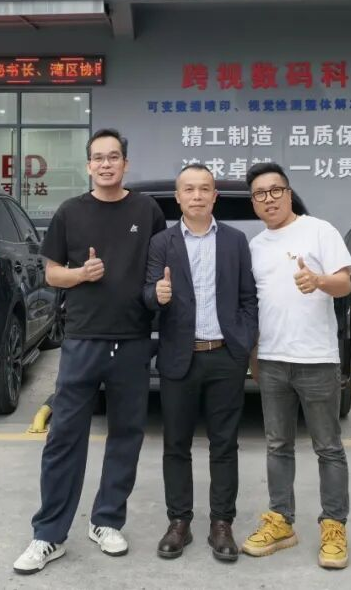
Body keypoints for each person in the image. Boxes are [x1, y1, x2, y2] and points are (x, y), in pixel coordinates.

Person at [13, 129, 166, 576]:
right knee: (64, 436)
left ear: (125, 163)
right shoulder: (70, 212)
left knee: (126, 434)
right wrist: (81, 274)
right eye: (98, 158)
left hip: (133, 339)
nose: (106, 164)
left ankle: (107, 521)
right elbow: (52, 275)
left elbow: (158, 267)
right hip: (82, 339)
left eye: (113, 157)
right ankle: (49, 534)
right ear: (88, 166)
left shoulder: (147, 211)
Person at [239, 162, 351, 570]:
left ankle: (334, 526)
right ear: (254, 202)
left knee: (328, 447)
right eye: (260, 194)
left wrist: (319, 281)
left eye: (276, 190)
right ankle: (281, 521)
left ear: (289, 193)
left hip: (316, 360)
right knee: (277, 445)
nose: (268, 199)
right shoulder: (256, 247)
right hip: (272, 360)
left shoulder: (319, 231)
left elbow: (345, 283)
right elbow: (257, 306)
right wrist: (254, 355)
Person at [142, 164, 257, 563]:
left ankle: (221, 523)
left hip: (225, 356)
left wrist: (244, 342)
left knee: (225, 444)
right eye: (188, 189)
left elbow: (248, 298)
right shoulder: (162, 243)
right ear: (178, 198)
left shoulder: (235, 241)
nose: (196, 196)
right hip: (180, 356)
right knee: (176, 444)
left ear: (214, 196)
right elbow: (146, 295)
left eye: (204, 189)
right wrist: (156, 294)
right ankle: (179, 522)